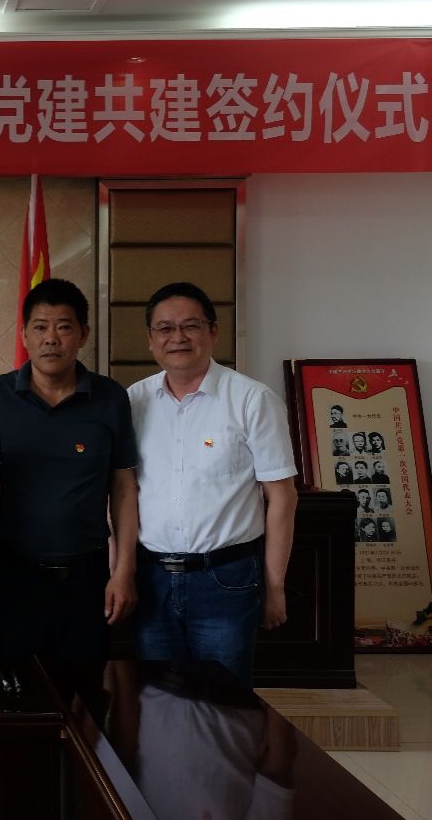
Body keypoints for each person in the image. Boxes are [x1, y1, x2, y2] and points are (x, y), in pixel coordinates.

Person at [128, 282, 298, 686]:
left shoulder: (252, 400)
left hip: (226, 580)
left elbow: (282, 498)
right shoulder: (134, 401)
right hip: (151, 580)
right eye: (165, 328)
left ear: (213, 331)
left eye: (191, 326)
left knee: (224, 703)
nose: (178, 337)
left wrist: (275, 586)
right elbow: (123, 494)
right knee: (156, 700)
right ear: (150, 339)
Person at [0, 279, 138, 704]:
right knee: (13, 697)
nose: (51, 338)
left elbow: (123, 486)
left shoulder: (110, 398)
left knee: (87, 700)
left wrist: (123, 571)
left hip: (87, 577)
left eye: (64, 327)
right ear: (24, 335)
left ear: (83, 334)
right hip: (13, 575)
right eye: (40, 327)